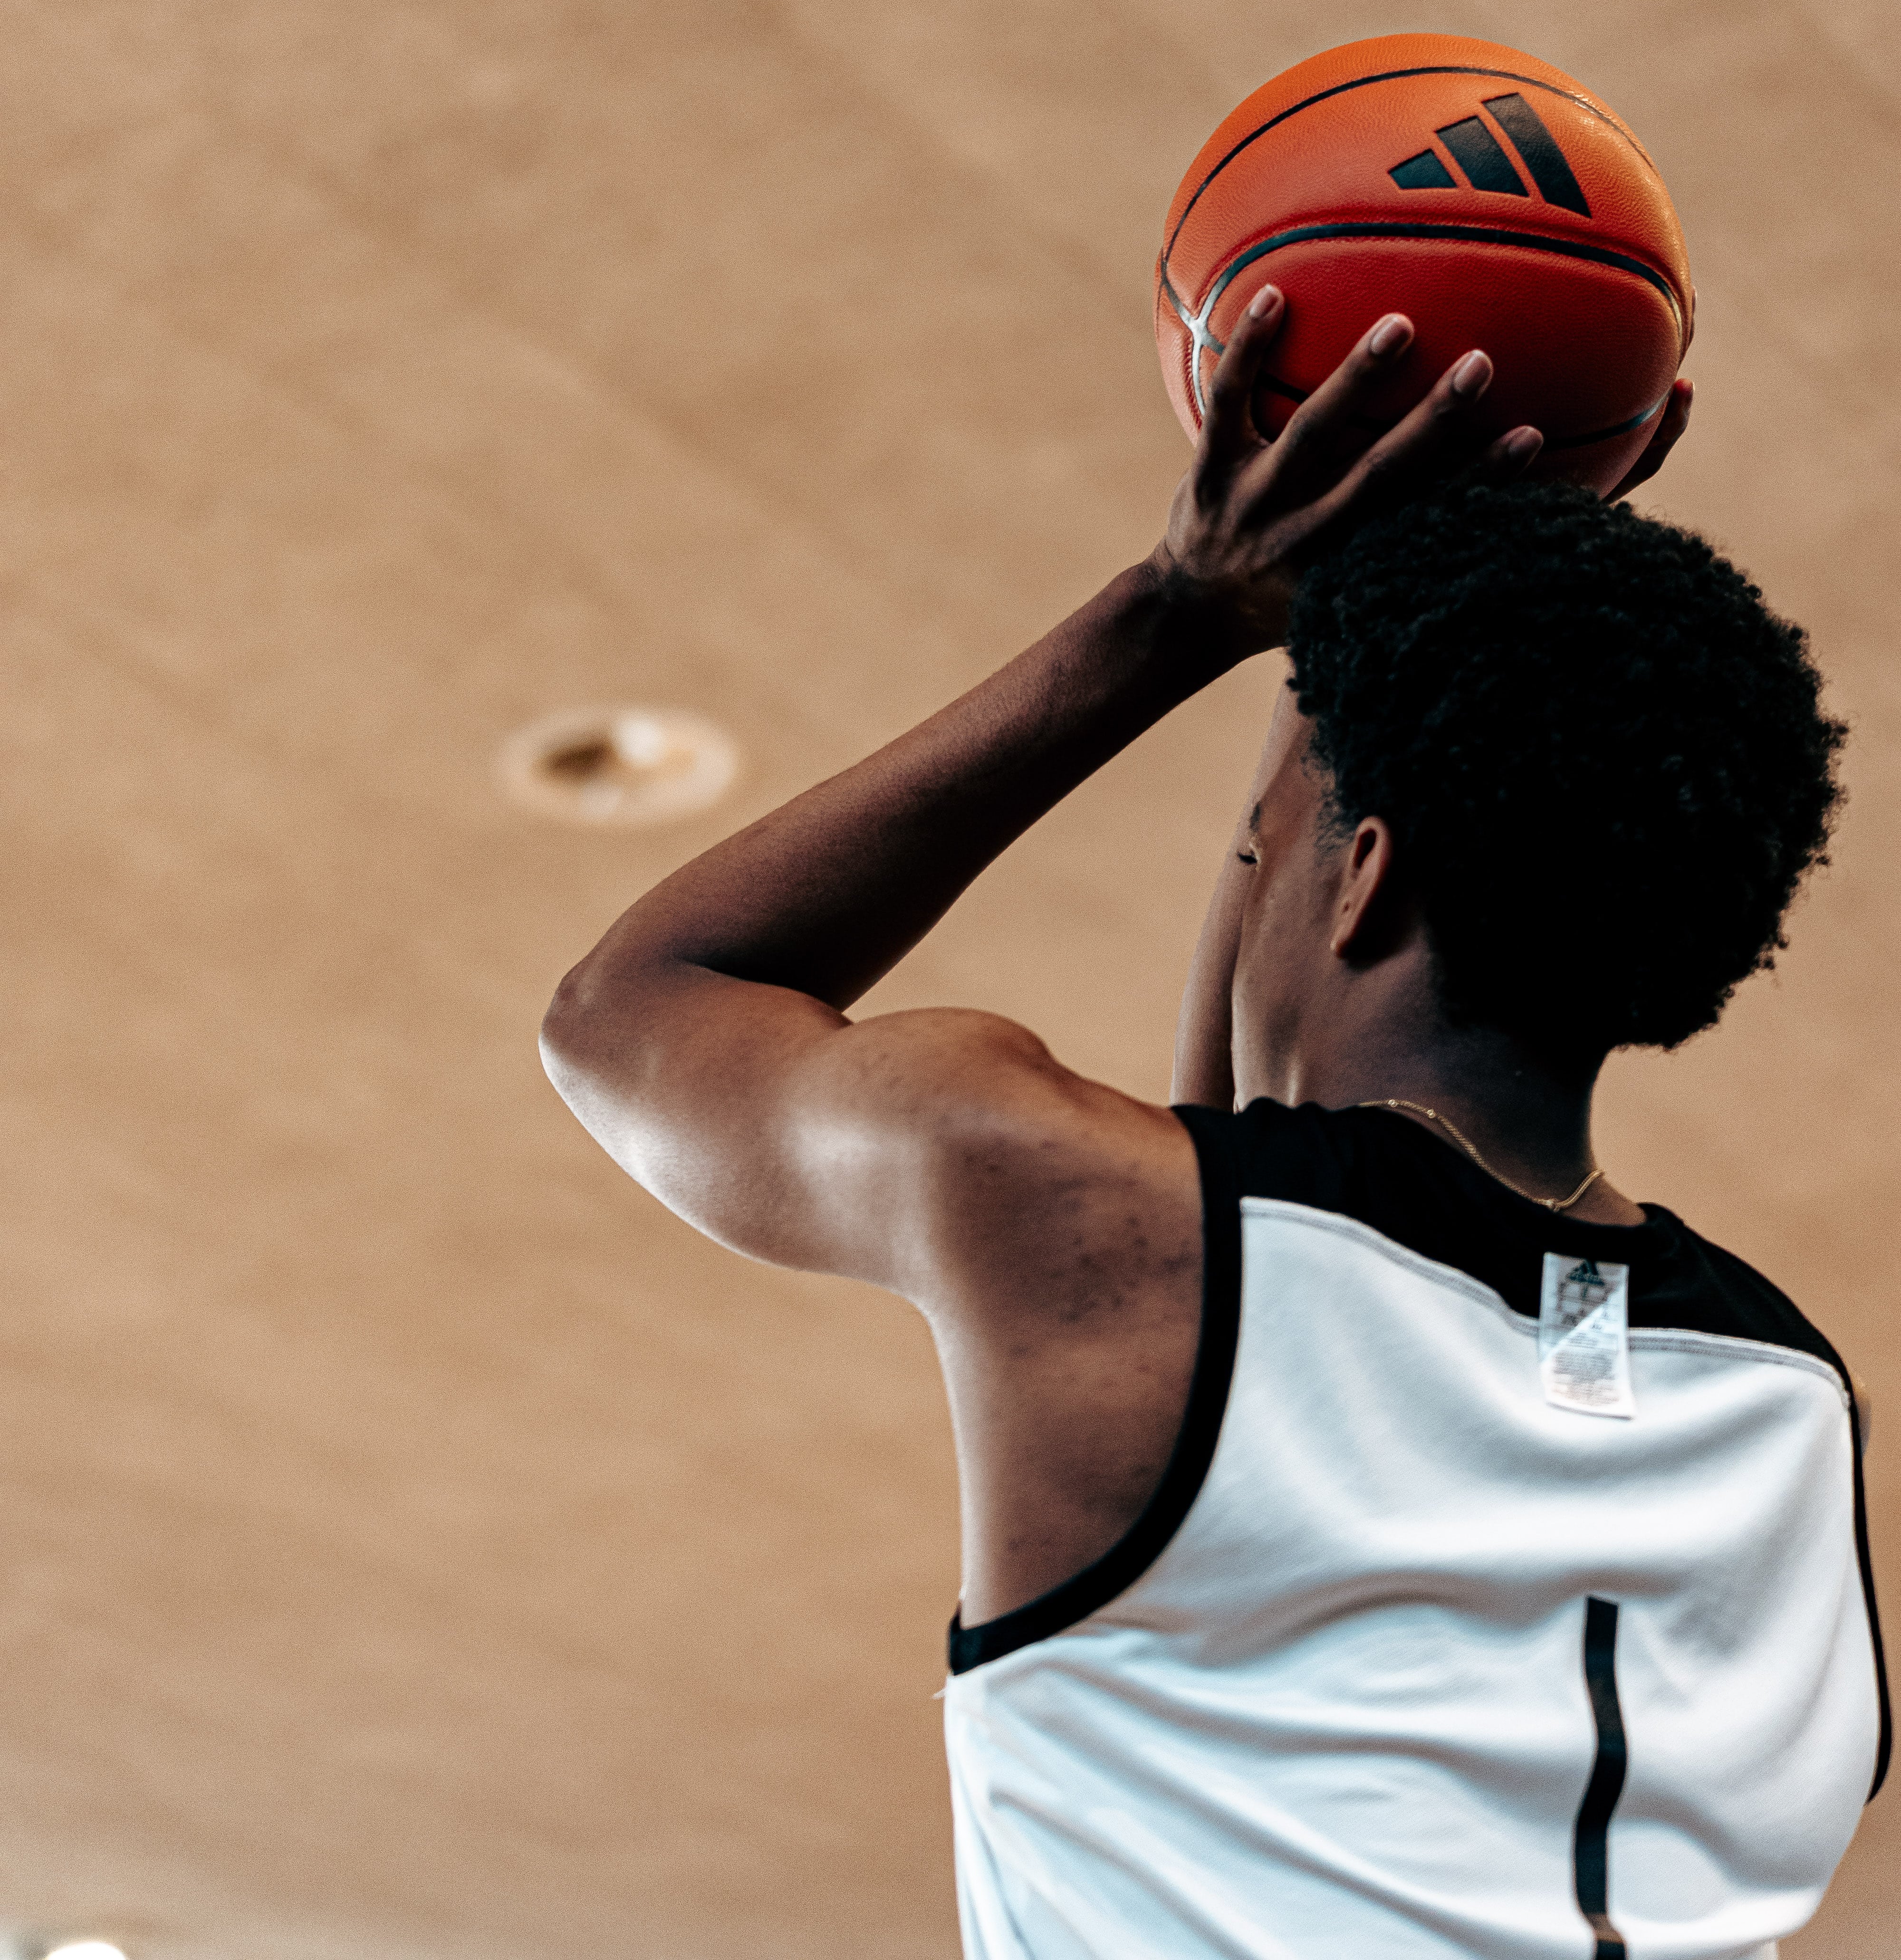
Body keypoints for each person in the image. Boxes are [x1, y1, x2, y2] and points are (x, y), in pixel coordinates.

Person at [541, 293, 1886, 1960]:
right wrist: (1410, 601)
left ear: (1369, 872)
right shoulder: (1787, 1405)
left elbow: (631, 1015)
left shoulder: (1068, 1213)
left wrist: (1181, 611)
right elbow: (1262, 1193)